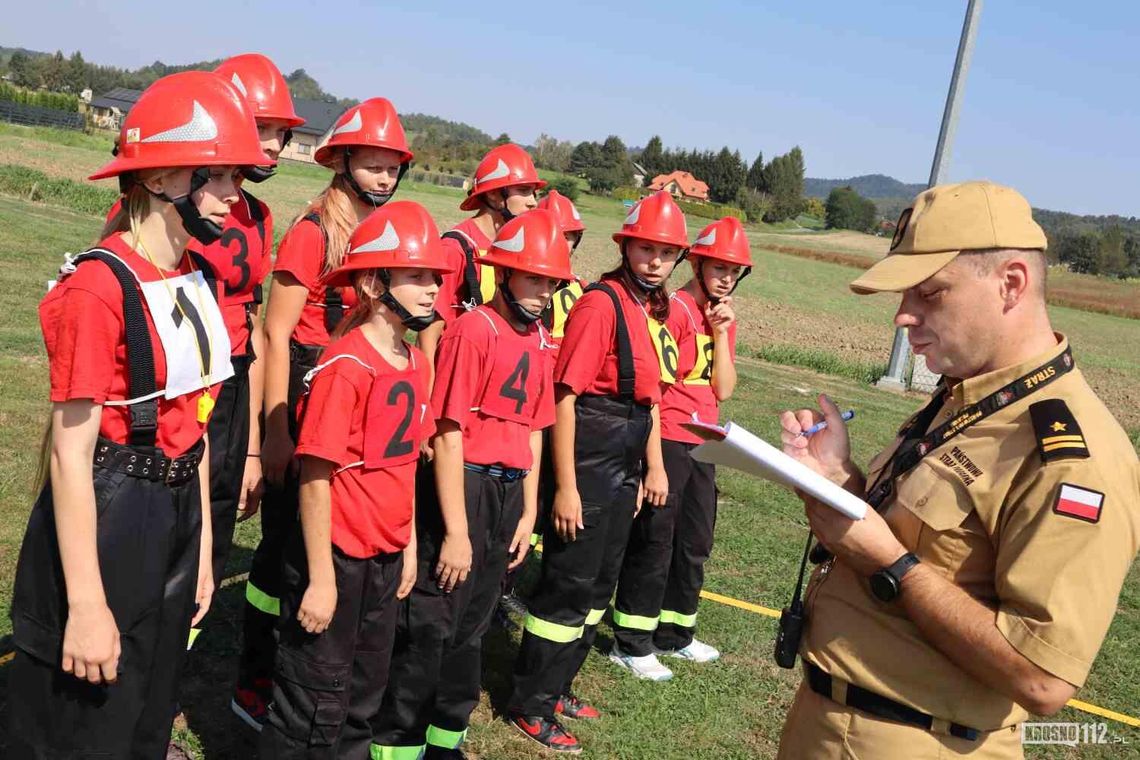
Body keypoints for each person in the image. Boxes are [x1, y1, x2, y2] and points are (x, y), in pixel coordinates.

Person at [775, 181, 1140, 759]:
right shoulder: (965, 398)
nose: (903, 316)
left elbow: (1041, 678)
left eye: (929, 292)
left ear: (1011, 284)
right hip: (828, 722)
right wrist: (843, 482)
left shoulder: (1073, 454)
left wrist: (889, 563)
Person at [8, 70, 265, 758]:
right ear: (160, 179)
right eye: (218, 176)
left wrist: (204, 547)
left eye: (238, 176)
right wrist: (86, 605)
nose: (234, 195)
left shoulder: (199, 276)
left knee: (152, 695)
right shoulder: (98, 287)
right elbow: (69, 454)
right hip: (113, 512)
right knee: (85, 712)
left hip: (178, 510)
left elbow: (200, 419)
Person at [236, 97, 414, 729]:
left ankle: (307, 672)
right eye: (372, 161)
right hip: (307, 384)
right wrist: (274, 433)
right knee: (286, 548)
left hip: (347, 392)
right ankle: (259, 676)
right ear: (341, 160)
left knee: (322, 538)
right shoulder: (314, 230)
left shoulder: (377, 237)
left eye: (393, 164)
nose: (385, 175)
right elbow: (275, 334)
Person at [373, 209, 570, 760]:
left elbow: (533, 432)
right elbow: (449, 431)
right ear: (503, 275)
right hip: (466, 486)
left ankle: (445, 740)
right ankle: (396, 743)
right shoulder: (472, 330)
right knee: (431, 627)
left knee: (474, 627)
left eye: (550, 282)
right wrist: (456, 531)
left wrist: (528, 513)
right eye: (532, 278)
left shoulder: (540, 342)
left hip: (508, 495)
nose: (541, 292)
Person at [260, 201, 449, 758]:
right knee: (312, 701)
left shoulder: (415, 364)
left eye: (434, 277)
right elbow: (315, 477)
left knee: (364, 695)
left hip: (386, 561)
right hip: (336, 557)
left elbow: (406, 465)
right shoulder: (345, 366)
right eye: (415, 275)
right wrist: (321, 578)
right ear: (373, 281)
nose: (431, 288)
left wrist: (408, 545)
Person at [508, 191, 688, 753]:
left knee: (597, 587)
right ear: (626, 247)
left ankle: (559, 687)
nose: (655, 261)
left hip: (623, 459)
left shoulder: (644, 308)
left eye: (666, 253)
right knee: (568, 585)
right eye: (646, 249)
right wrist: (564, 488)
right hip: (589, 455)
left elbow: (649, 400)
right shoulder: (601, 304)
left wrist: (638, 472)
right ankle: (530, 704)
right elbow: (566, 397)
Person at [175, 52, 304, 648]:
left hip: (228, 385)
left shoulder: (255, 213)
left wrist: (252, 448)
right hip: (175, 387)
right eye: (265, 128)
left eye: (282, 132)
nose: (276, 144)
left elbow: (252, 326)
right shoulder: (169, 203)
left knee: (217, 523)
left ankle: (172, 671)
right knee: (169, 527)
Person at [611, 215, 751, 677]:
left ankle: (675, 634)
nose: (726, 277)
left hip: (706, 440)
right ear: (699, 264)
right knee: (656, 540)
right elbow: (654, 388)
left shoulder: (718, 316)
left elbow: (724, 389)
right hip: (670, 436)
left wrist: (723, 333)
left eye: (734, 270)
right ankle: (631, 642)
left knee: (694, 542)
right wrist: (651, 461)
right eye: (718, 267)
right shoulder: (672, 311)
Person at [496, 189, 589, 627]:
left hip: (552, 406)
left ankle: (514, 581)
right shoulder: (522, 281)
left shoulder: (574, 290)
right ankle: (500, 586)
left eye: (570, 236)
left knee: (542, 499)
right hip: (522, 400)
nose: (562, 242)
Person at [416, 143, 545, 365]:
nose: (533, 201)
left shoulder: (515, 248)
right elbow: (430, 330)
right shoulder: (455, 247)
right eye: (523, 191)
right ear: (495, 195)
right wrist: (427, 389)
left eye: (534, 193)